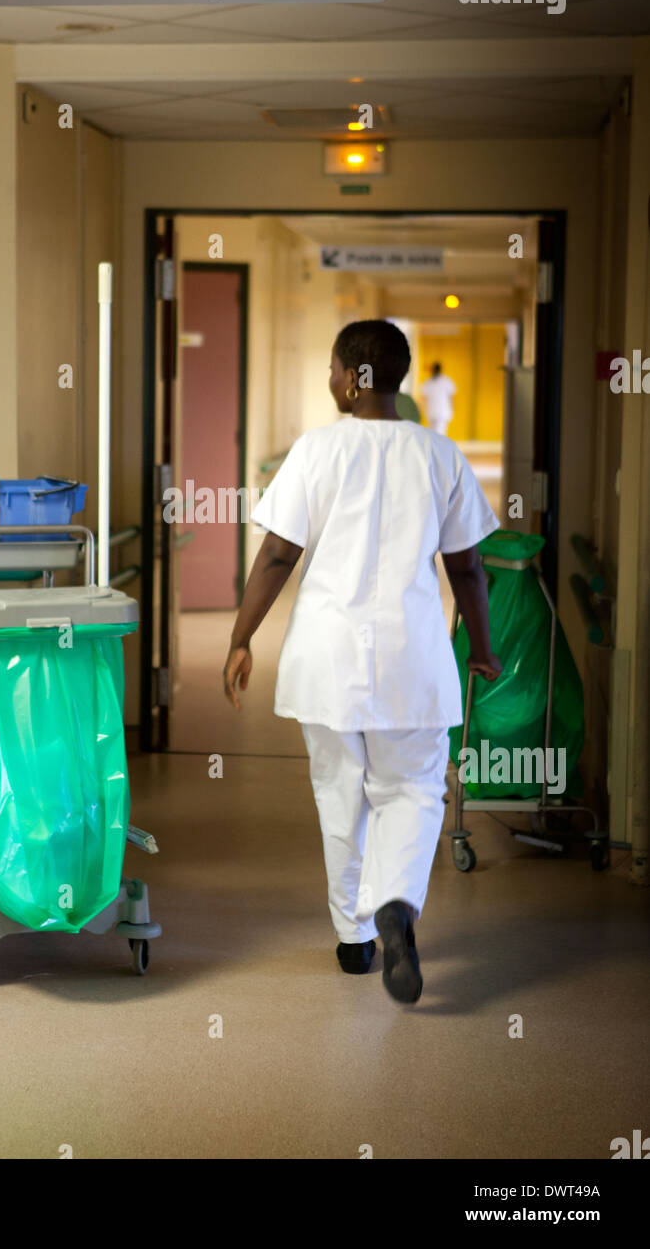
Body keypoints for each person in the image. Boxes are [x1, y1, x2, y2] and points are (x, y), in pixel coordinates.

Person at [222, 320, 501, 1004]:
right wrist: (485, 647)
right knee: (412, 789)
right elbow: (468, 569)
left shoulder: (315, 451)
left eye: (332, 369)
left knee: (340, 790)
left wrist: (240, 636)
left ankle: (354, 940)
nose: (331, 380)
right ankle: (398, 907)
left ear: (352, 376)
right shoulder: (441, 456)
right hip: (412, 656)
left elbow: (279, 555)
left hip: (328, 657)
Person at [420, 361, 457, 435]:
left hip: (442, 412)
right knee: (432, 434)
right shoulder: (428, 383)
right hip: (431, 412)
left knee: (440, 434)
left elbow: (451, 397)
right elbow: (423, 399)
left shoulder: (446, 381)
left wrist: (451, 409)